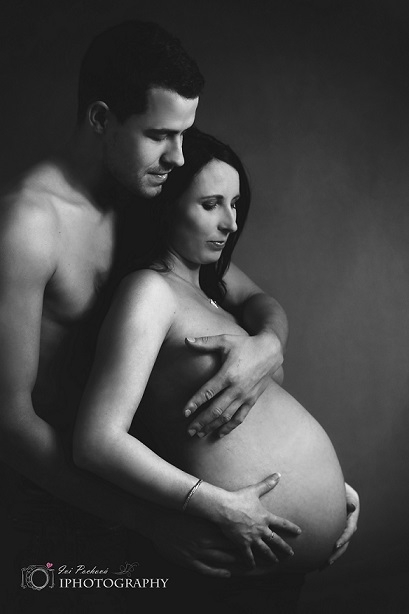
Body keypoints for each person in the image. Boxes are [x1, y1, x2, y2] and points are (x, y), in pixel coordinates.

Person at [0, 20, 318, 606]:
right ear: (101, 119)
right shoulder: (29, 225)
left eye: (184, 134)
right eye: (159, 135)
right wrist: (148, 521)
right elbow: (10, 425)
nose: (178, 156)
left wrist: (266, 346)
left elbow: (254, 300)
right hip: (66, 511)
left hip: (148, 489)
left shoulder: (143, 197)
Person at [73, 127, 358, 613]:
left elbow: (266, 305)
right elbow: (96, 441)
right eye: (210, 204)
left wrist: (332, 493)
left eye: (235, 204)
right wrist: (215, 504)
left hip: (273, 564)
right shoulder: (151, 292)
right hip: (223, 561)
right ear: (167, 207)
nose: (230, 222)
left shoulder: (210, 286)